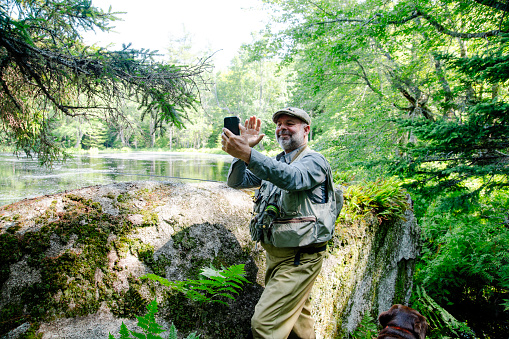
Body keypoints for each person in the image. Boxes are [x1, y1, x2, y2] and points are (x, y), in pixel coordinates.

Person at [221, 107, 337, 339]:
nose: (282, 127)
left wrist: (249, 155)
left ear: (306, 130)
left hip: (299, 259)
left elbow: (292, 178)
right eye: (279, 124)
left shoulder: (314, 161)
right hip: (277, 256)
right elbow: (237, 182)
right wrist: (242, 153)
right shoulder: (277, 162)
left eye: (290, 123)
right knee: (299, 327)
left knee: (265, 325)